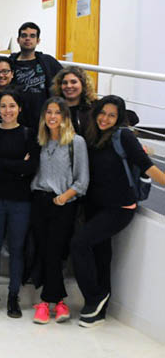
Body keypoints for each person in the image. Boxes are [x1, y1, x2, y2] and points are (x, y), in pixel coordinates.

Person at [72, 96, 165, 327]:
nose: (105, 119)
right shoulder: (91, 136)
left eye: (111, 115)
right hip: (94, 205)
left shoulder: (124, 136)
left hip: (118, 208)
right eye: (102, 113)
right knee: (101, 254)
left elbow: (149, 167)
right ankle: (100, 308)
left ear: (119, 117)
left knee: (79, 244)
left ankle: (95, 297)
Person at [29, 97, 89, 325]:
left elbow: (82, 180)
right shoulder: (40, 141)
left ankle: (45, 302)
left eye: (57, 113)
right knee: (44, 251)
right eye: (48, 112)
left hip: (63, 203)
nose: (52, 117)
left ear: (65, 117)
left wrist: (64, 197)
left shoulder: (76, 142)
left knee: (54, 251)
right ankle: (60, 303)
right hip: (39, 200)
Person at [0, 90, 39, 319]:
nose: (7, 111)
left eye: (12, 106)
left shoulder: (29, 134)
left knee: (17, 249)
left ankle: (13, 296)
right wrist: (15, 166)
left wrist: (1, 164)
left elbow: (31, 168)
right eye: (4, 106)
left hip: (21, 202)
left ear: (19, 108)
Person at [10, 22, 63, 126]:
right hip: (16, 119)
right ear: (18, 40)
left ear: (38, 40)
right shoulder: (10, 63)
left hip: (42, 119)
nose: (27, 39)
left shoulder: (48, 62)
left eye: (32, 36)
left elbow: (66, 78)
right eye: (24, 35)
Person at [51, 66, 97, 134]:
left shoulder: (94, 108)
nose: (69, 86)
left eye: (73, 82)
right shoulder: (53, 108)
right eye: (65, 83)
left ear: (83, 84)